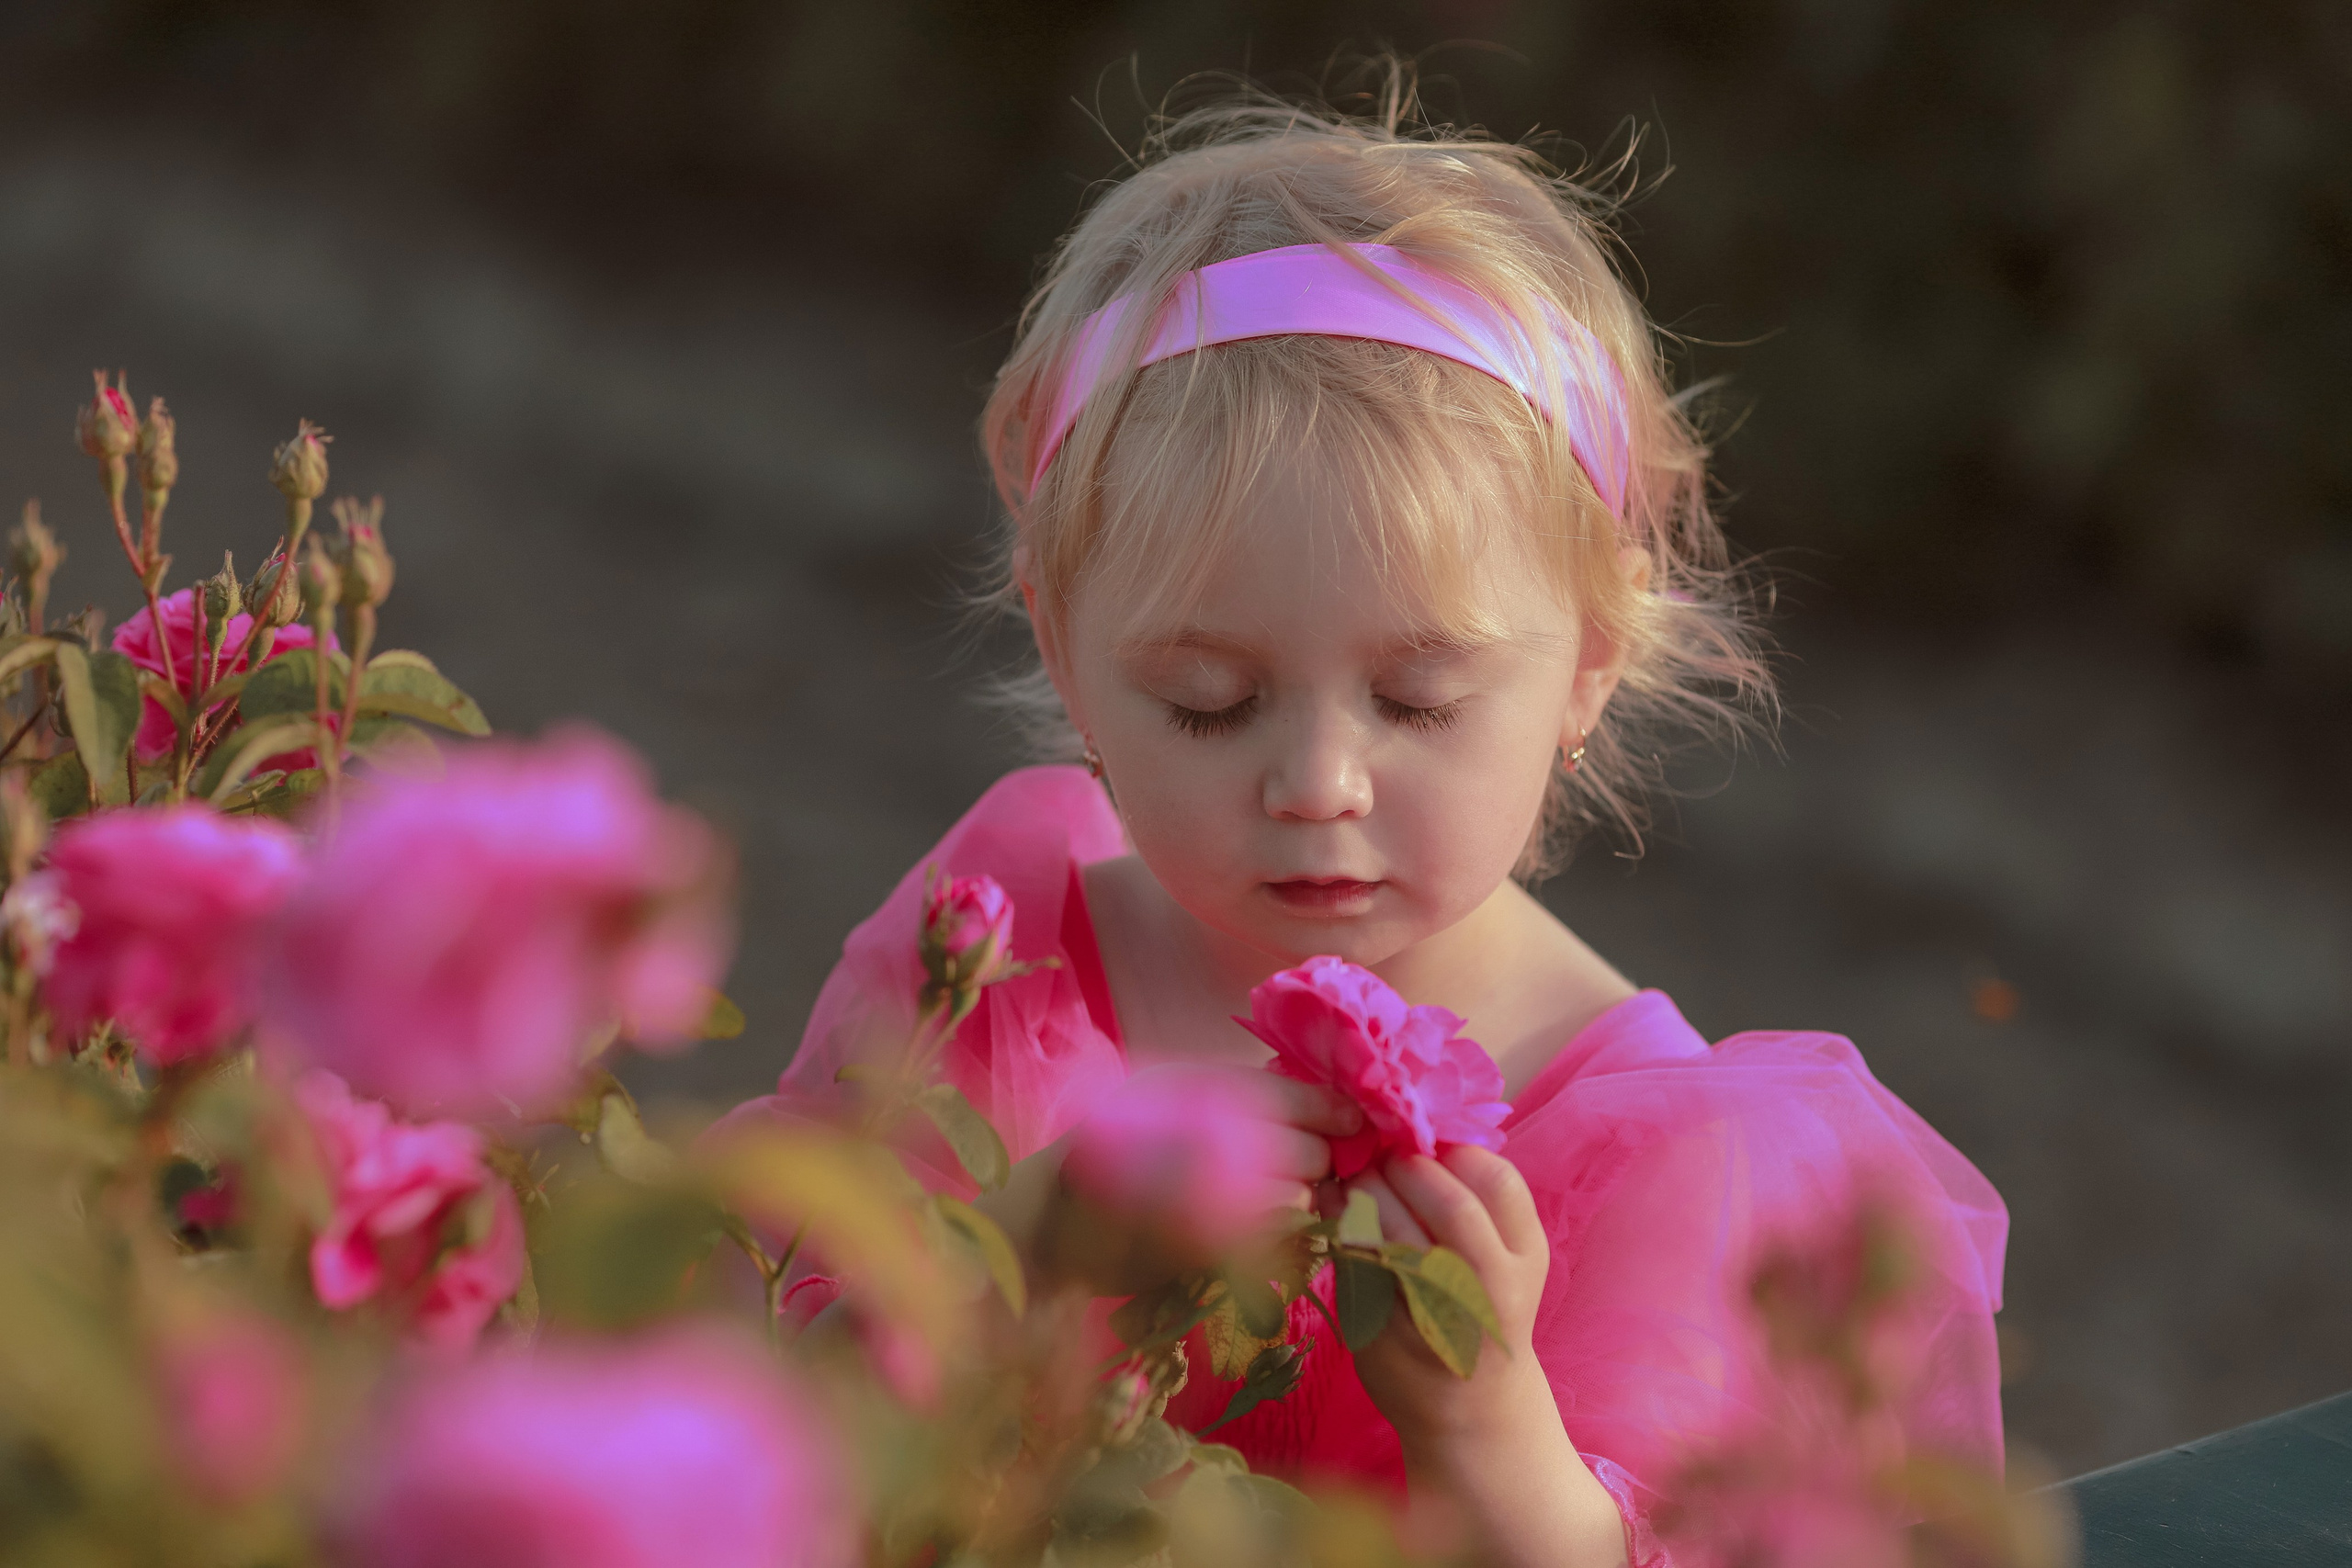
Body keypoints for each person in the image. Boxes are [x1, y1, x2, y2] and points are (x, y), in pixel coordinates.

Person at [729, 77, 2006, 1568]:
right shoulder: (1014, 945)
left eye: (1417, 700)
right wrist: (1025, 1245)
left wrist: (1488, 1427)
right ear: (1067, 654)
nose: (1319, 782)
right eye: (1209, 700)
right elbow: (760, 1420)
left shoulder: (1677, 1161)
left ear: (1586, 665)